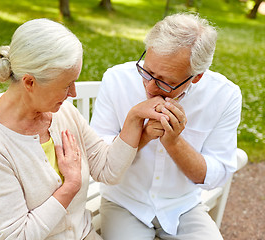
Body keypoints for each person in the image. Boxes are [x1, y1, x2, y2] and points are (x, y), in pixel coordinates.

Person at [0, 18, 168, 240]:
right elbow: (15, 236)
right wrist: (70, 186)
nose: (73, 93)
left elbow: (107, 169)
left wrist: (135, 119)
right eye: (65, 85)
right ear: (30, 82)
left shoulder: (63, 113)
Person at [90, 13, 242, 240]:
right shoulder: (117, 79)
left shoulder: (224, 96)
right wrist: (141, 135)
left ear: (196, 77)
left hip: (183, 206)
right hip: (124, 202)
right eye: (147, 72)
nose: (150, 87)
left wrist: (174, 143)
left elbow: (217, 175)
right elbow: (97, 155)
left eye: (165, 82)